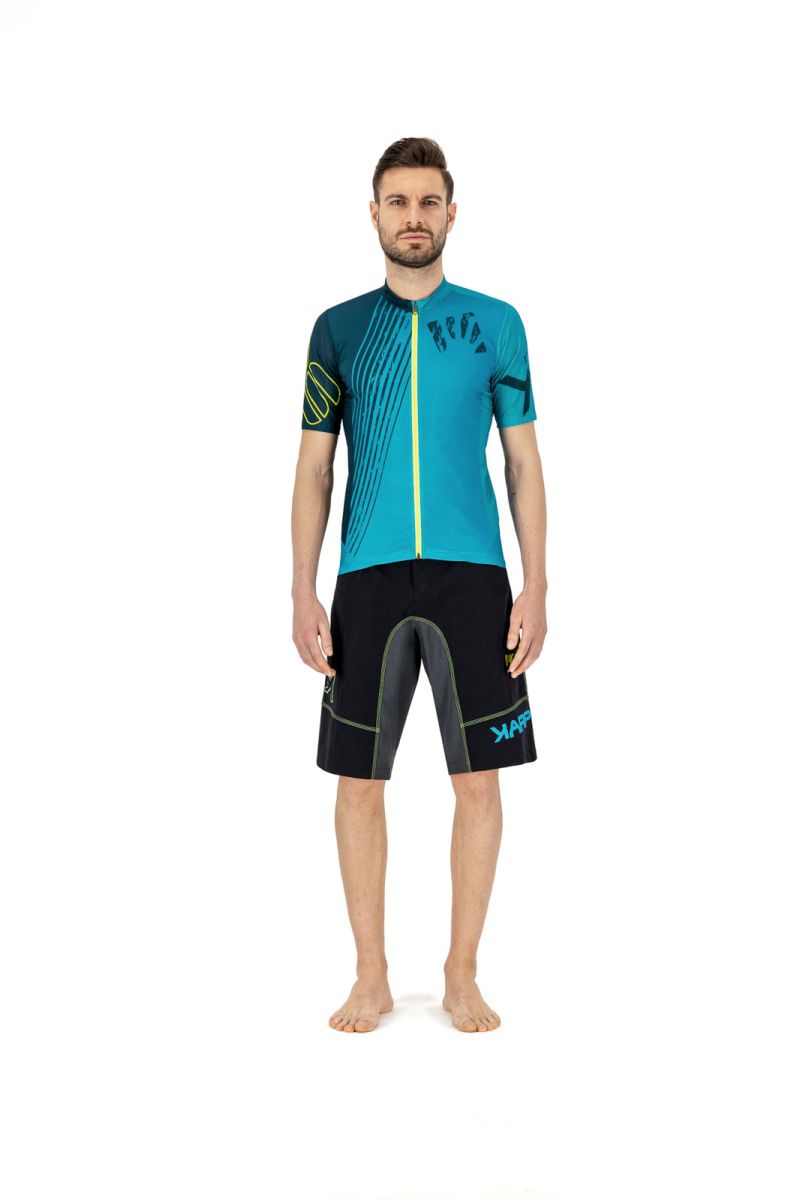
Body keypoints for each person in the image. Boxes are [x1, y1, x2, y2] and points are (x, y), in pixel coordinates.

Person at [291, 137, 548, 1034]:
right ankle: (370, 975)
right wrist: (302, 589)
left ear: (451, 212)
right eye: (398, 202)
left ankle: (461, 974)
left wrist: (536, 584)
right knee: (359, 783)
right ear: (374, 214)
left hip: (474, 580)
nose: (413, 217)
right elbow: (314, 469)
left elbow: (523, 462)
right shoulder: (337, 330)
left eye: (428, 201)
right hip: (365, 580)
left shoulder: (496, 323)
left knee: (478, 783)